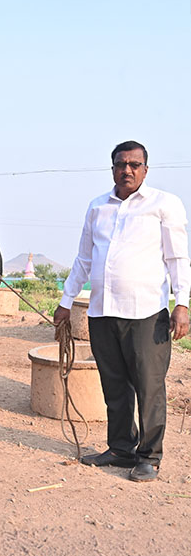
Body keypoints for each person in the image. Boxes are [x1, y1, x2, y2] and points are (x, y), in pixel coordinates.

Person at [54, 140, 190, 482]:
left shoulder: (164, 204)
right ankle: (120, 448)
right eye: (120, 164)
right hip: (102, 311)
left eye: (134, 164)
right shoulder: (98, 207)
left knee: (148, 385)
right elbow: (84, 259)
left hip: (146, 313)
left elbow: (177, 258)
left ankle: (149, 456)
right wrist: (65, 301)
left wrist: (182, 303)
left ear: (145, 169)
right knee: (113, 383)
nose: (126, 170)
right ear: (112, 168)